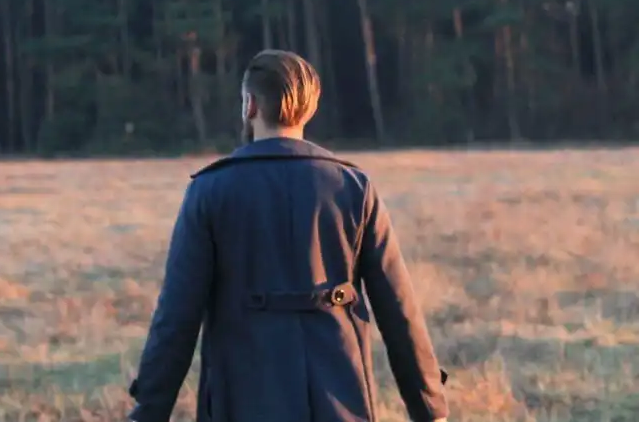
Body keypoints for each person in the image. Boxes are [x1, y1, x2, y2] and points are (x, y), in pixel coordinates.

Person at [127, 49, 449, 422]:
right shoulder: (353, 187)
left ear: (249, 105)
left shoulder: (210, 190)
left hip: (243, 401)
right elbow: (398, 308)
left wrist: (149, 411)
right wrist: (430, 407)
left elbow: (176, 316)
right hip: (341, 398)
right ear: (310, 108)